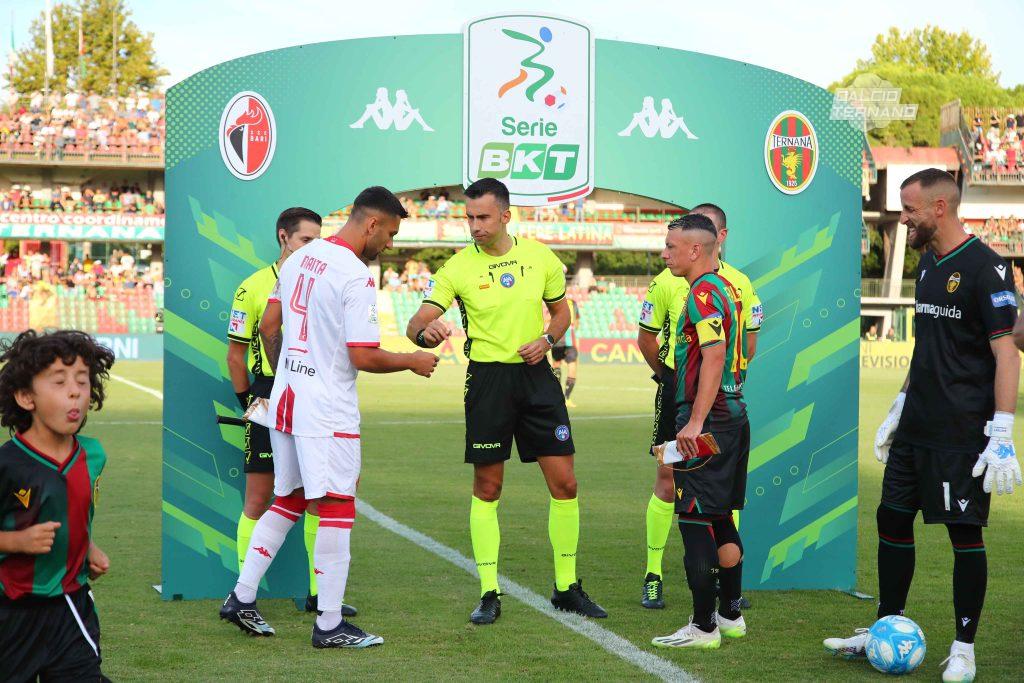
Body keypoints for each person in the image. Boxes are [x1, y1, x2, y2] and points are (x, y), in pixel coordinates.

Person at [825, 169, 1021, 682]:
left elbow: (1006, 353)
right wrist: (900, 402)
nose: (902, 217)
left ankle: (964, 647)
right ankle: (885, 624)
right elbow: (927, 345)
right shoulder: (927, 261)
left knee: (963, 534)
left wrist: (1002, 432)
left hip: (961, 435)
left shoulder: (987, 269)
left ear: (939, 208)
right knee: (891, 519)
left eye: (909, 209)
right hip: (916, 425)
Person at [220, 186, 438, 648]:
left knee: (290, 498)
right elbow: (362, 355)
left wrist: (293, 373)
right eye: (392, 233)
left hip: (287, 398)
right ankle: (330, 624)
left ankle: (241, 596)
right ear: (372, 223)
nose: (391, 245)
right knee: (337, 504)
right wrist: (412, 361)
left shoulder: (301, 256)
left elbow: (268, 326)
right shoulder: (356, 276)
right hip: (326, 410)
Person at [405, 177, 607, 625]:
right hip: (488, 381)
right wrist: (427, 331)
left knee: (565, 484)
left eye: (483, 217)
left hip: (537, 378)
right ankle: (489, 592)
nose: (474, 226)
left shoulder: (540, 258)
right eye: (469, 217)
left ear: (505, 216)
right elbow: (416, 323)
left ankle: (566, 587)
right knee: (488, 488)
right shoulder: (456, 268)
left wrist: (547, 339)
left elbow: (561, 314)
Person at [225, 207, 356, 616]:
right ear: (283, 237)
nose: (312, 247)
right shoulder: (253, 286)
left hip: (312, 395)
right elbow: (235, 354)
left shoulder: (320, 277)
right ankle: (246, 592)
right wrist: (250, 402)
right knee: (262, 495)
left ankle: (319, 595)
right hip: (268, 394)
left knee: (317, 495)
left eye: (318, 239)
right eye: (305, 240)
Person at [637, 203, 762, 611]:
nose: (664, 254)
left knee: (692, 516)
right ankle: (729, 614)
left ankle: (703, 624)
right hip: (732, 411)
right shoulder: (728, 288)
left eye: (670, 247)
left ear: (695, 250)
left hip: (709, 416)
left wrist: (694, 420)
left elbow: (714, 353)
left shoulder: (703, 293)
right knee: (721, 517)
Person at [0, 330, 115, 678]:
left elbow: (70, 512)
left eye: (82, 380)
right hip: (11, 611)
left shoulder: (92, 455)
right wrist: (15, 542)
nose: (75, 391)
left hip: (70, 607)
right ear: (24, 397)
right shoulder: (7, 465)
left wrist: (87, 546)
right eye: (59, 381)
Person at [550, 292, 581, 407]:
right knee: (572, 366)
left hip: (557, 338)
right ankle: (567, 398)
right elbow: (577, 322)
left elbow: (550, 319)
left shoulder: (554, 302)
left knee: (556, 365)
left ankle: (555, 398)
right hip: (570, 340)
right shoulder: (573, 303)